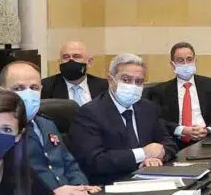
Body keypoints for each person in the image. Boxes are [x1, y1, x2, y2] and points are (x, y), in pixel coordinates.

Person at [68, 53, 179, 185]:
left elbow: (169, 143)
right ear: (110, 80)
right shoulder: (90, 113)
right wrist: (142, 154)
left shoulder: (148, 108)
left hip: (150, 179)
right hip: (111, 184)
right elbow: (94, 161)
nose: (133, 86)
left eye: (139, 82)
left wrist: (157, 155)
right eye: (126, 80)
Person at [0, 60, 100, 195]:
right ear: (1, 92)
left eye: (34, 88)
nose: (28, 93)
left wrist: (80, 187)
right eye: (19, 88)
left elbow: (70, 164)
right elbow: (5, 187)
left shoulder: (46, 124)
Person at [146, 42, 211, 147]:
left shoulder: (210, 85)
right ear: (173, 65)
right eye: (180, 60)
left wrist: (208, 130)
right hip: (176, 143)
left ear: (195, 61)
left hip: (207, 140)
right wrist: (182, 130)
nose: (186, 64)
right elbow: (158, 121)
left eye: (189, 59)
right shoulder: (161, 91)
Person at [41, 41, 108, 105]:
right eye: (66, 57)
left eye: (77, 56)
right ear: (59, 62)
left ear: (90, 62)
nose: (71, 60)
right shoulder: (45, 87)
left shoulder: (106, 87)